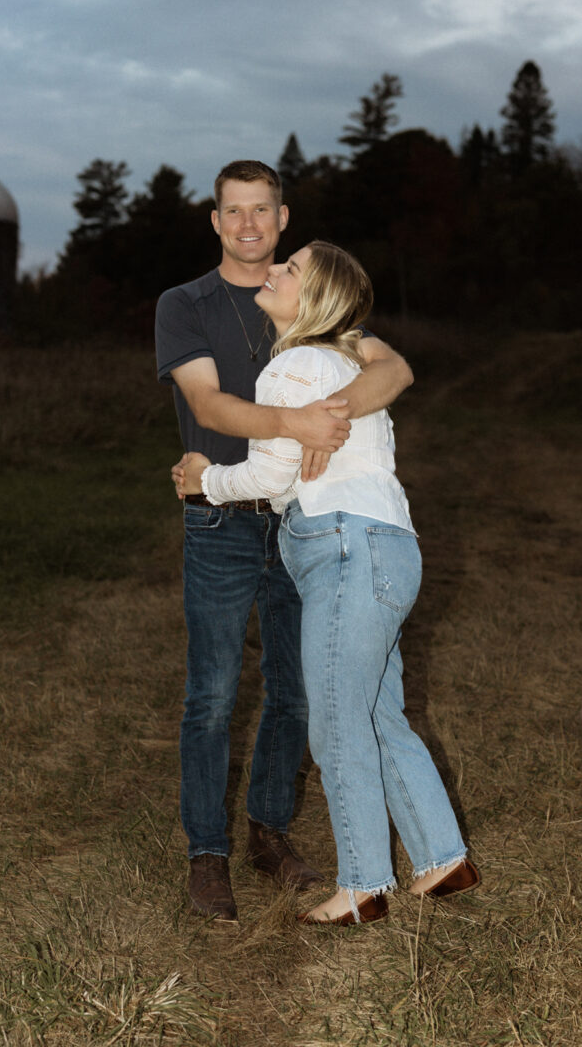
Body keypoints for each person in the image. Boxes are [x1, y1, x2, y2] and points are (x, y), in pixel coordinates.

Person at [177, 240, 480, 926]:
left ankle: (363, 884)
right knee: (377, 711)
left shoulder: (294, 365)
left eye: (290, 270)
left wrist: (206, 481)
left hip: (343, 546)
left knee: (339, 720)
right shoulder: (345, 365)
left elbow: (272, 476)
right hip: (388, 547)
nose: (274, 269)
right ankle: (442, 857)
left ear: (311, 300)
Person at [155, 162, 414, 923]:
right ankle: (208, 853)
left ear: (282, 216)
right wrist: (296, 426)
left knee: (297, 692)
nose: (247, 226)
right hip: (222, 521)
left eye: (261, 211)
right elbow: (210, 402)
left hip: (305, 526)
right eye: (233, 212)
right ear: (215, 220)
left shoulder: (310, 295)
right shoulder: (186, 304)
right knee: (213, 693)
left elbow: (393, 367)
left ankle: (268, 832)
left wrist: (327, 409)